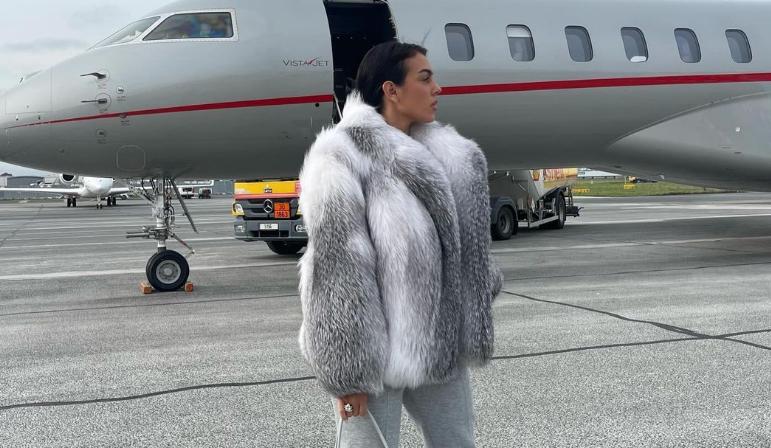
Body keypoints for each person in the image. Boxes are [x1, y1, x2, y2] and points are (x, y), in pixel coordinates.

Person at [297, 40, 503, 447]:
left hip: (439, 343)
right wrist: (349, 373)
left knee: (458, 442)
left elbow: (471, 255)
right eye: (424, 78)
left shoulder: (454, 158)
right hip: (373, 353)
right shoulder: (341, 154)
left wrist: (476, 299)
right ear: (391, 90)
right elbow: (338, 270)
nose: (437, 88)